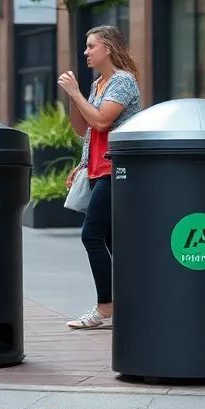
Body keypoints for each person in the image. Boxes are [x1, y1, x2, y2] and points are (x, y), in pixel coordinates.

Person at [58, 26, 142, 331]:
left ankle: (106, 305)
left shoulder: (122, 81)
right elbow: (84, 130)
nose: (86, 52)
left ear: (108, 48)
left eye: (91, 46)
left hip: (115, 170)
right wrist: (82, 164)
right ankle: (135, 301)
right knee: (111, 240)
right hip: (96, 168)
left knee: (91, 235)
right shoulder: (99, 83)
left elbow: (103, 121)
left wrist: (76, 93)